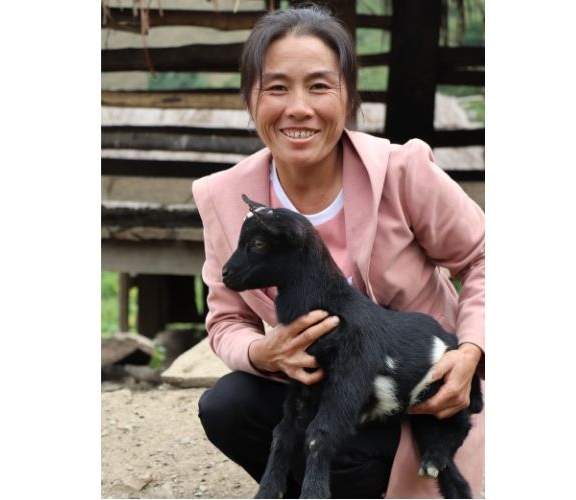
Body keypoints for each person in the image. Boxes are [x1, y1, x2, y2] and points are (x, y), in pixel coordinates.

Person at [193, 4, 485, 498]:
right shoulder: (225, 198)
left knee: (345, 456)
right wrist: (261, 351)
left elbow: (484, 256)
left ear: (348, 97)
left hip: (416, 396)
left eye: (320, 86)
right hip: (327, 392)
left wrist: (472, 352)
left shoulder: (401, 171)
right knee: (228, 405)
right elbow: (226, 320)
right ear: (250, 99)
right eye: (277, 87)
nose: (298, 108)